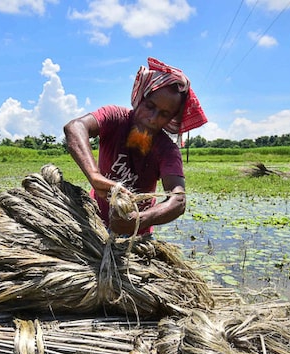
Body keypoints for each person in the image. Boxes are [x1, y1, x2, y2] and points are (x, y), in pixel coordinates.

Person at [64, 57, 207, 235]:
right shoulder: (115, 118)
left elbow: (178, 200)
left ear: (171, 119)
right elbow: (75, 127)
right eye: (150, 106)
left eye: (164, 114)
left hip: (137, 234)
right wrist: (94, 176)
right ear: (140, 98)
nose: (153, 118)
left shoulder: (167, 150)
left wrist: (140, 220)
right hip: (95, 221)